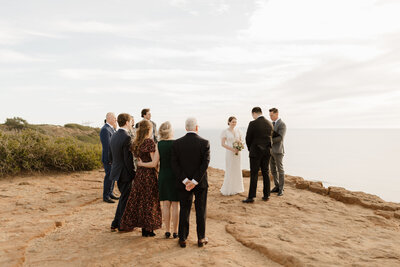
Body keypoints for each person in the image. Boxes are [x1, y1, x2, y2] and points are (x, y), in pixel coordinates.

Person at [171, 117, 210, 248]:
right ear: (197, 128)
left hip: (183, 183)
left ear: (186, 128)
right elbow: (205, 164)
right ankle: (201, 238)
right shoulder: (205, 143)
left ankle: (182, 239)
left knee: (184, 209)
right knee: (201, 210)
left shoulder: (177, 143)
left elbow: (174, 164)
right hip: (200, 183)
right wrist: (195, 181)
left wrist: (186, 180)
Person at [119, 120, 162, 237]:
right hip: (149, 175)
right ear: (149, 129)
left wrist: (141, 165)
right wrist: (144, 164)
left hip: (139, 175)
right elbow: (153, 163)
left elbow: (138, 160)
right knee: (150, 201)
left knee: (141, 201)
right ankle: (149, 229)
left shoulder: (136, 142)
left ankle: (144, 229)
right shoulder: (149, 142)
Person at [138, 121, 179, 239]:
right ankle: (175, 232)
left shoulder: (159, 144)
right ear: (171, 131)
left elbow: (154, 163)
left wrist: (141, 164)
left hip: (164, 175)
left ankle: (167, 231)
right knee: (176, 205)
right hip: (175, 176)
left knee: (165, 204)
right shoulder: (176, 143)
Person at [109, 113, 136, 231]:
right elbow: (128, 160)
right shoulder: (127, 137)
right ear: (126, 122)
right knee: (125, 199)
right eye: (130, 121)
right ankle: (120, 224)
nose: (131, 124)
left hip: (116, 171)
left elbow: (111, 156)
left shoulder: (114, 135)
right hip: (125, 173)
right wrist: (133, 174)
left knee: (123, 198)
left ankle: (115, 223)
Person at [243, 107, 273, 203]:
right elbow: (271, 137)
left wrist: (250, 148)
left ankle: (251, 197)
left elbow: (248, 138)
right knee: (265, 172)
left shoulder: (252, 123)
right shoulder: (270, 123)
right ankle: (266, 195)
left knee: (254, 174)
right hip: (267, 152)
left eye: (253, 115)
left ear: (254, 113)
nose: (253, 116)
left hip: (255, 151)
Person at [220, 116, 244, 195]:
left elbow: (241, 140)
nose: (234, 123)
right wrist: (232, 149)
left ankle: (237, 188)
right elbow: (223, 144)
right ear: (229, 122)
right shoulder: (225, 131)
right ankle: (229, 189)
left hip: (237, 153)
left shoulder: (238, 131)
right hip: (230, 153)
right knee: (230, 169)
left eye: (235, 122)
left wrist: (240, 145)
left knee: (237, 169)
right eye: (233, 122)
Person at [100, 112, 118, 203]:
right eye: (114, 118)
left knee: (112, 176)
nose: (116, 120)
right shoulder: (105, 129)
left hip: (113, 158)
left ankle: (110, 193)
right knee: (109, 177)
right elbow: (107, 147)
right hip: (108, 158)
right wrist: (110, 159)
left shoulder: (111, 129)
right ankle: (106, 196)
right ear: (109, 118)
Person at [269, 108, 287, 196]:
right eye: (270, 115)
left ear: (277, 114)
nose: (270, 117)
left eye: (272, 115)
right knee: (272, 169)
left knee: (280, 170)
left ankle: (281, 189)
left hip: (278, 150)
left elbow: (280, 138)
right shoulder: (271, 124)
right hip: (270, 150)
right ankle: (276, 186)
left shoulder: (282, 124)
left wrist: (269, 141)